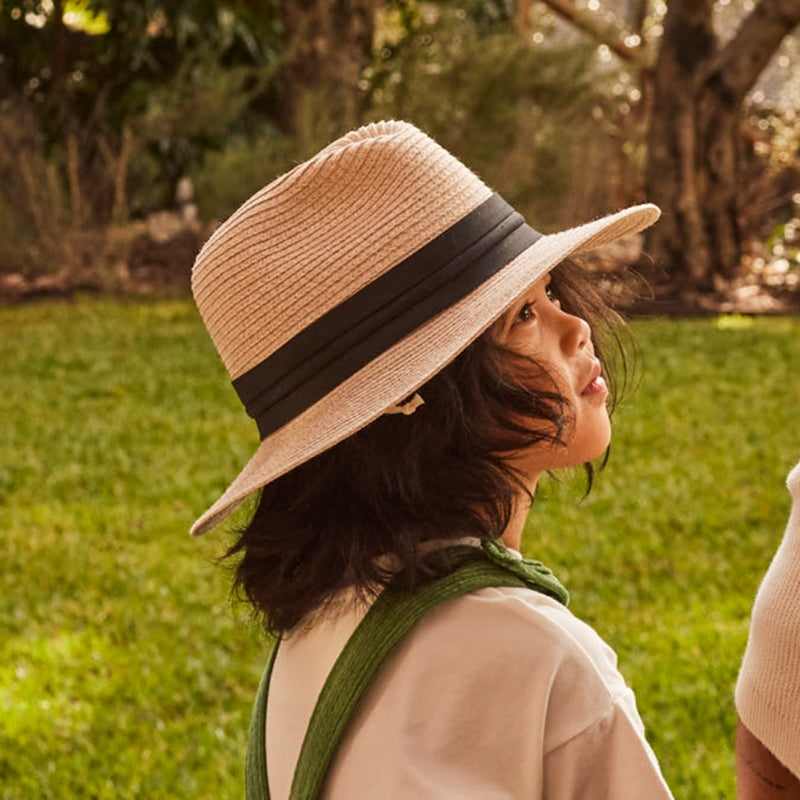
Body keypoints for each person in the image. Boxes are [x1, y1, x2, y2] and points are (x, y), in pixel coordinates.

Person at [188, 120, 797, 798]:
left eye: (546, 295)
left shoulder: (314, 637)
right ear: (423, 402)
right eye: (522, 319)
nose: (577, 327)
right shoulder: (536, 661)